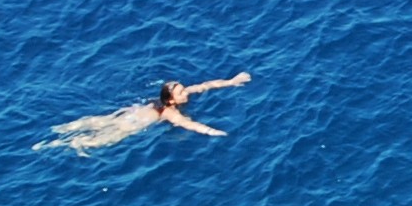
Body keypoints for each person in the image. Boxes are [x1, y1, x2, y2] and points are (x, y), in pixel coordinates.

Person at [37, 72, 253, 154]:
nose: (185, 92)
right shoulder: (170, 113)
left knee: (98, 122)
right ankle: (61, 144)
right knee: (95, 141)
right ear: (171, 99)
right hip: (132, 124)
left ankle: (59, 131)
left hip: (131, 112)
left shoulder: (164, 101)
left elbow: (205, 85)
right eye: (180, 92)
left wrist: (232, 82)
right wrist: (213, 132)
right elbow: (191, 125)